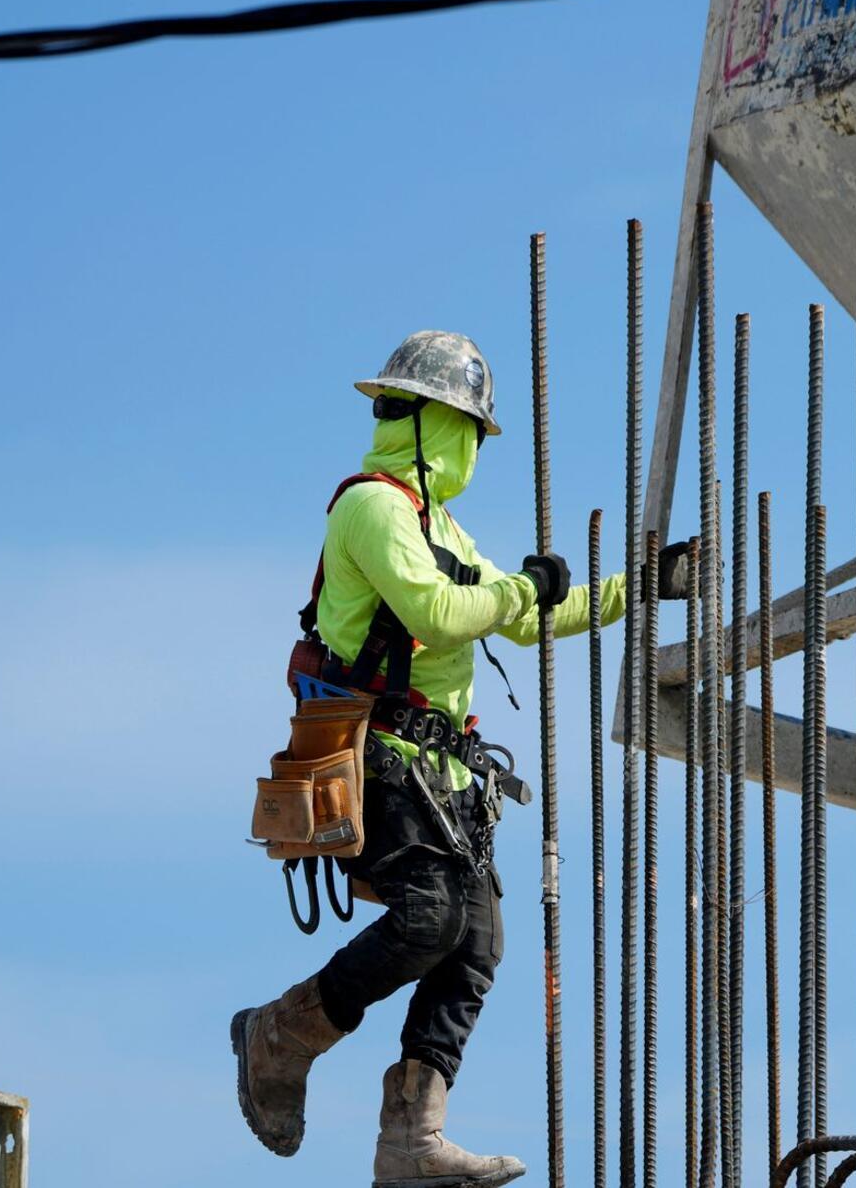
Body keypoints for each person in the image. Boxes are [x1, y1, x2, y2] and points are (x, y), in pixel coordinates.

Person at [233, 329, 626, 1188]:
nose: (470, 452)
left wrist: (632, 589)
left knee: (475, 940)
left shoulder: (437, 524)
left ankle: (410, 1134)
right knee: (429, 920)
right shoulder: (371, 509)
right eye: (466, 434)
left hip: (444, 774)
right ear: (425, 424)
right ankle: (281, 1031)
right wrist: (521, 585)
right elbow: (443, 613)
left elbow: (519, 619)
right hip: (376, 755)